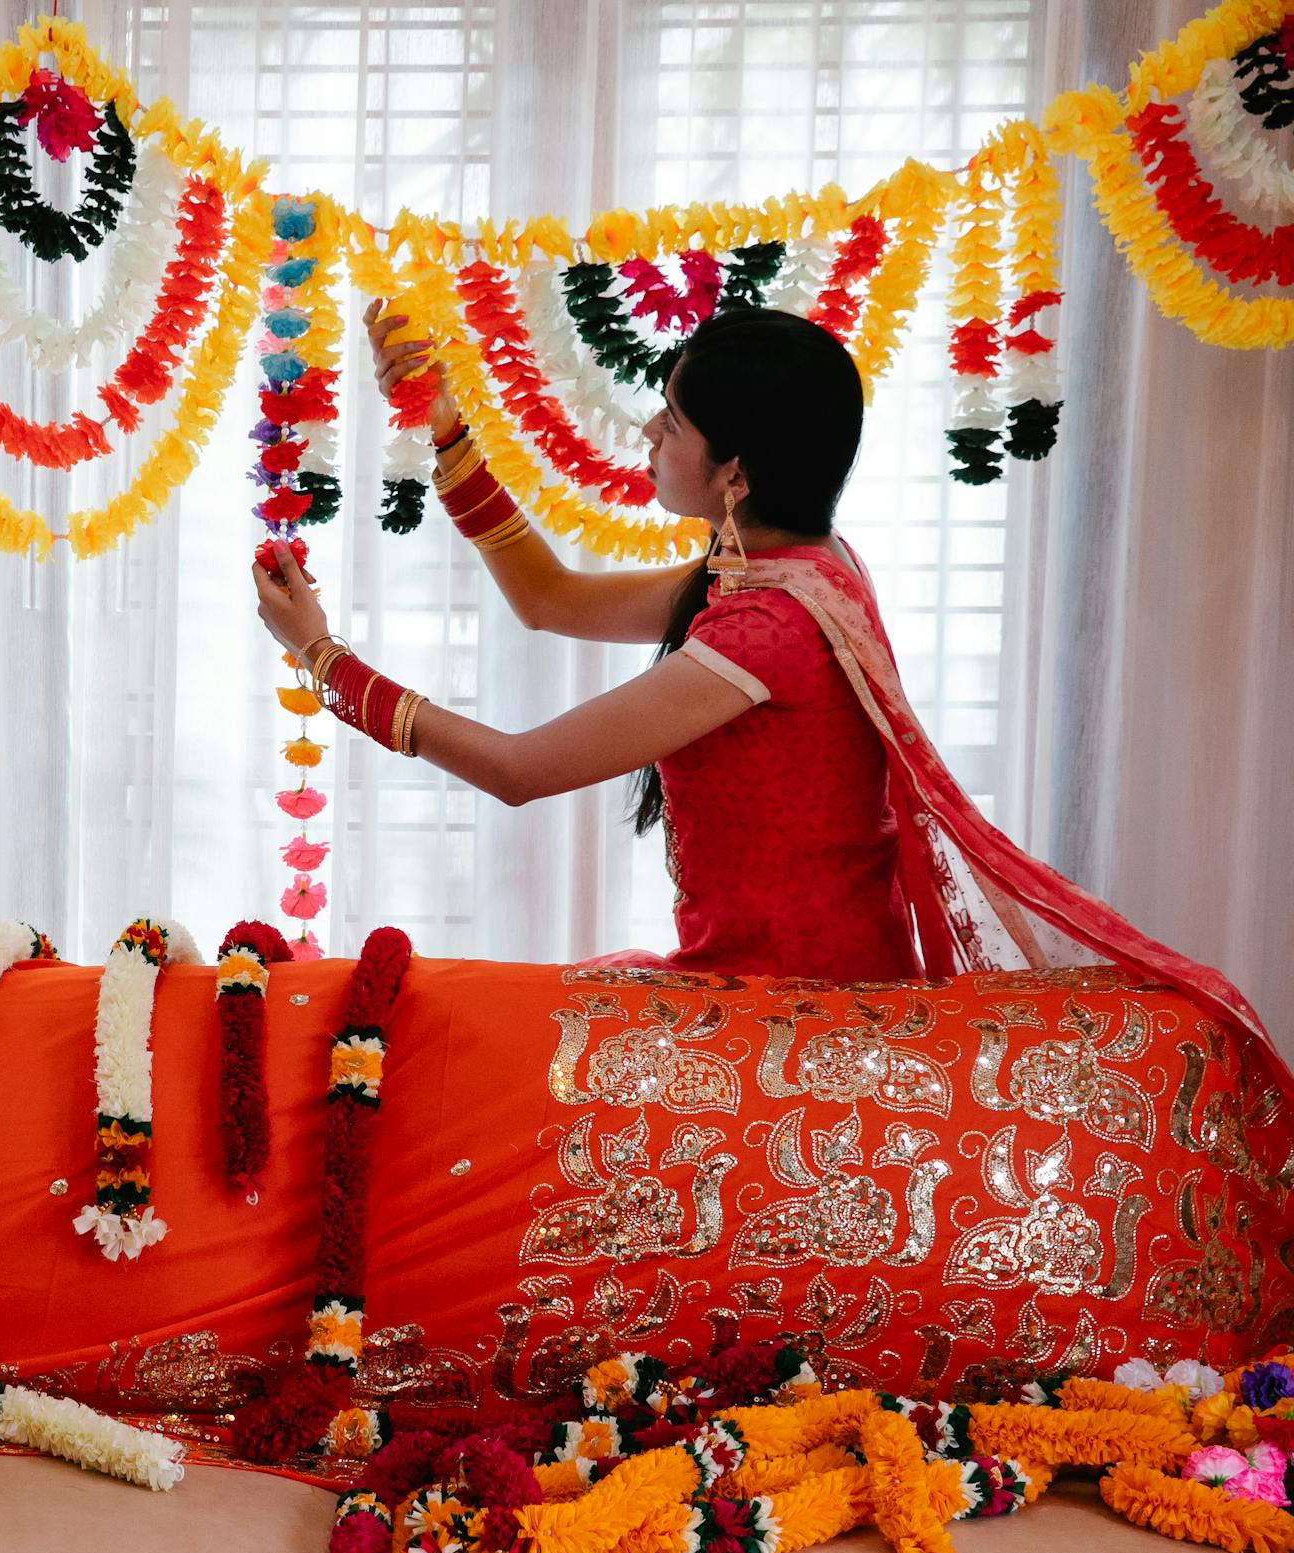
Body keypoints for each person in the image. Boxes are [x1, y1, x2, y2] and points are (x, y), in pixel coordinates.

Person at [251, 304, 1286, 1089]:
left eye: (672, 423)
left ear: (733, 472)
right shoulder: (800, 568)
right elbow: (548, 598)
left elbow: (520, 772)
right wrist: (445, 428)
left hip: (793, 1019)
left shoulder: (768, 629)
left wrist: (321, 659)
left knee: (455, 1050)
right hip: (765, 982)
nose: (648, 437)